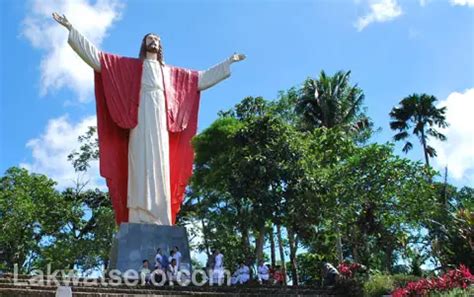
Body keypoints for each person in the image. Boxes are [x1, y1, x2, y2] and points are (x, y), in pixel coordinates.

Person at [52, 13, 245, 226]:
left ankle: (160, 216)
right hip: (139, 119)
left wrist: (229, 62)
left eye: (157, 39)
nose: (153, 40)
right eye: (149, 38)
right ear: (143, 44)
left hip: (161, 120)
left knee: (161, 163)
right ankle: (139, 213)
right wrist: (71, 28)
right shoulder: (129, 68)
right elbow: (99, 59)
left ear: (160, 46)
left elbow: (201, 79)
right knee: (139, 160)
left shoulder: (173, 75)